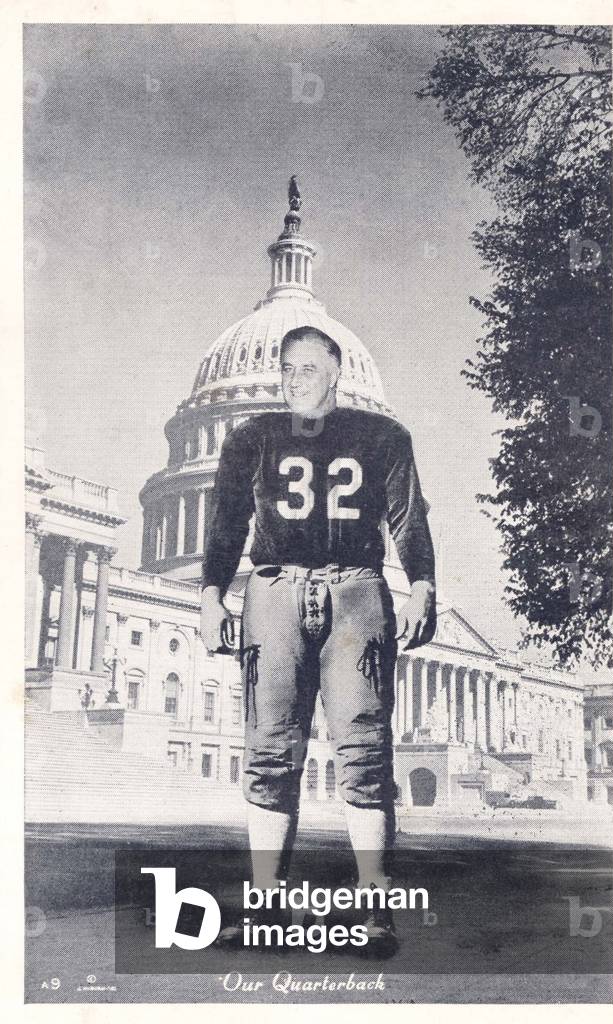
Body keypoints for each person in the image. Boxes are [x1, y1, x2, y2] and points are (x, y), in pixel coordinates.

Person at [200, 325, 436, 953]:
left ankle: (375, 911)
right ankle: (267, 908)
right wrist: (210, 593)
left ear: (337, 372)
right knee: (270, 752)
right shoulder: (251, 437)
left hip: (356, 586)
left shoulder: (383, 436)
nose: (294, 379)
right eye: (286, 369)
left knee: (364, 751)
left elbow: (407, 517)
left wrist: (422, 585)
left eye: (308, 367)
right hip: (273, 586)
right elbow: (227, 520)